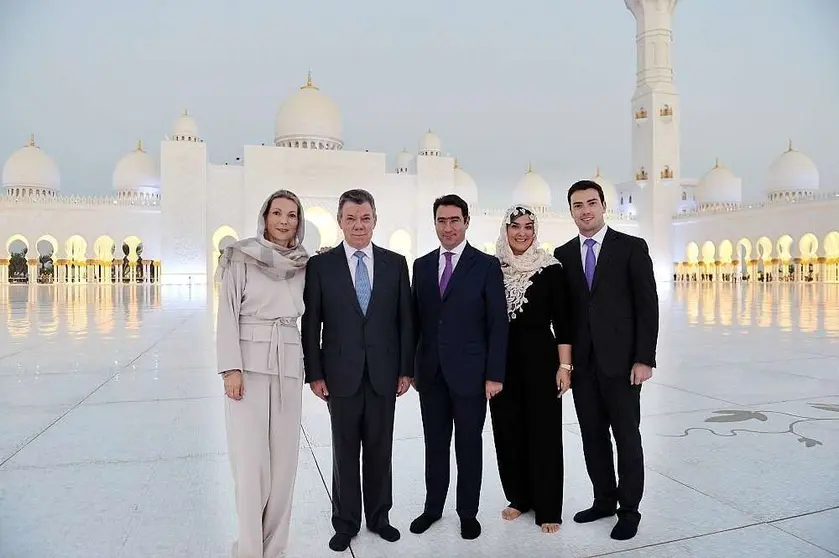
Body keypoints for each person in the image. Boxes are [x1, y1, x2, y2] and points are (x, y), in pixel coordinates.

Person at [301, 189, 414, 552]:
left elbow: (405, 323)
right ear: (340, 222)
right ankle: (346, 521)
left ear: (375, 220)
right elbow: (312, 324)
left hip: (384, 374)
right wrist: (315, 374)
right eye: (351, 219)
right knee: (344, 450)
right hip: (340, 375)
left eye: (365, 218)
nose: (358, 225)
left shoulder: (396, 264)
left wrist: (405, 370)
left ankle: (380, 517)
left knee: (380, 450)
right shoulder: (321, 267)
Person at [553, 180, 659, 541]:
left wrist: (644, 358)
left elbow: (647, 305)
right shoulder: (564, 254)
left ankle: (629, 509)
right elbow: (564, 315)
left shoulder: (630, 247)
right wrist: (565, 364)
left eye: (591, 203)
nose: (585, 210)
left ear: (603, 207)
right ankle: (604, 499)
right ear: (571, 211)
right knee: (592, 436)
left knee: (627, 437)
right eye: (578, 205)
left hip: (622, 363)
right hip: (583, 366)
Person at [216, 189, 310, 558]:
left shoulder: (304, 262)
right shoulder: (241, 256)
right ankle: (250, 549)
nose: (284, 221)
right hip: (249, 368)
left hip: (287, 365)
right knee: (251, 464)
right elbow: (226, 313)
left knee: (284, 464)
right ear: (265, 216)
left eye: (292, 215)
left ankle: (275, 548)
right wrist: (230, 369)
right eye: (277, 213)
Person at [409, 194, 508, 541]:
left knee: (469, 445)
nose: (448, 227)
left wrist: (495, 374)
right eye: (442, 220)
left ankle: (468, 512)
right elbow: (414, 322)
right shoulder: (421, 266)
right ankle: (433, 508)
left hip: (471, 374)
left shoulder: (485, 266)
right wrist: (411, 369)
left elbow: (498, 323)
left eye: (454, 220)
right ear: (434, 223)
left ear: (466, 222)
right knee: (434, 444)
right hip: (431, 374)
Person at [490, 204, 573, 534]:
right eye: (515, 226)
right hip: (502, 361)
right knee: (507, 429)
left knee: (544, 432)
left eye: (528, 226)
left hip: (541, 359)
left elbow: (564, 324)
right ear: (505, 230)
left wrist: (565, 366)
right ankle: (520, 497)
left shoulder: (551, 268)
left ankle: (549, 506)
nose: (522, 232)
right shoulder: (492, 268)